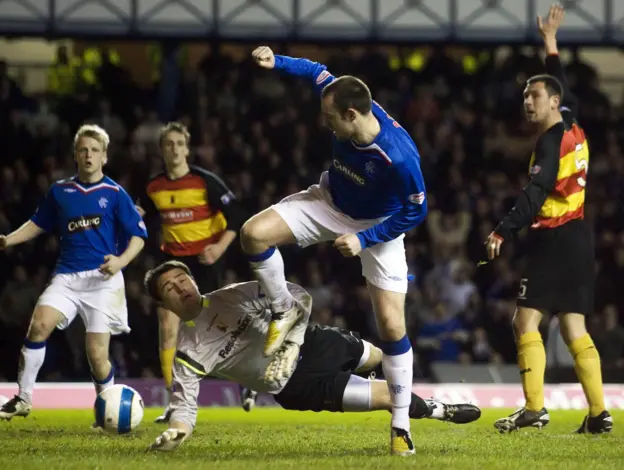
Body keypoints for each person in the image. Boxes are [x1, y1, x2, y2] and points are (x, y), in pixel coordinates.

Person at [240, 47, 427, 456]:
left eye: (330, 119)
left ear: (352, 116)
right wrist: (278, 61)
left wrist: (364, 239)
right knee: (253, 235)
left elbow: (417, 210)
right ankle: (283, 308)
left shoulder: (398, 157)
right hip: (329, 202)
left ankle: (401, 426)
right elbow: (316, 70)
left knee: (393, 328)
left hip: (378, 227)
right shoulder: (342, 95)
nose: (324, 123)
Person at [142, 260, 481, 452]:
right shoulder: (188, 353)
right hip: (297, 387)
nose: (180, 286)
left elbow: (296, 295)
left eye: (181, 278)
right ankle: (438, 409)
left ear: (193, 279)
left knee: (379, 355)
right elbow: (184, 407)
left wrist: (291, 342)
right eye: (169, 288)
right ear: (163, 305)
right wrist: (176, 434)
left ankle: (407, 380)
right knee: (390, 398)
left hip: (314, 344)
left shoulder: (234, 295)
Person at [484, 4, 611, 434]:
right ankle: (598, 414)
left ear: (551, 103)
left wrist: (503, 229)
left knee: (525, 320)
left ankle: (535, 409)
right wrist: (551, 44)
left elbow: (535, 192)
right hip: (579, 236)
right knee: (574, 324)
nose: (526, 101)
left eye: (533, 96)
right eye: (524, 96)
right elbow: (566, 88)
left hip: (555, 237)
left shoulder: (550, 144)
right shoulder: (571, 122)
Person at [0, 124, 147, 420]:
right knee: (38, 326)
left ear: (104, 157)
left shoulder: (114, 193)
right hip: (67, 278)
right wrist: (7, 240)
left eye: (94, 150)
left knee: (97, 356)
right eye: (83, 150)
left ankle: (106, 412)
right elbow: (37, 223)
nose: (88, 155)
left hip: (103, 280)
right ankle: (23, 398)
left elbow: (139, 235)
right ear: (75, 154)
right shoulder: (60, 191)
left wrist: (121, 262)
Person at [136, 121, 251, 423]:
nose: (174, 149)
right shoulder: (153, 187)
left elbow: (237, 217)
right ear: (161, 150)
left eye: (179, 143)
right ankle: (175, 402)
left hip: (204, 263)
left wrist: (219, 248)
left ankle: (249, 380)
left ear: (187, 148)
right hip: (173, 267)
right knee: (167, 329)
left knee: (220, 329)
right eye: (168, 144)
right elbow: (138, 216)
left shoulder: (205, 181)